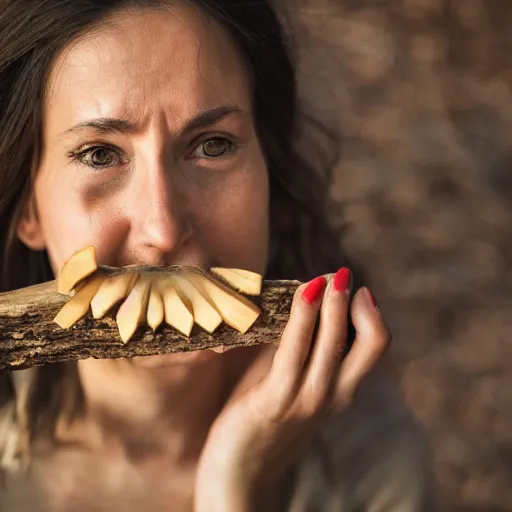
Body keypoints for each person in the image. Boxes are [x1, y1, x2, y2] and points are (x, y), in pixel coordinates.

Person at [0, 0, 434, 510]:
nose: (162, 231)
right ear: (29, 205)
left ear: (270, 173)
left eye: (212, 146)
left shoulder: (369, 460)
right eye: (100, 154)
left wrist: (234, 482)